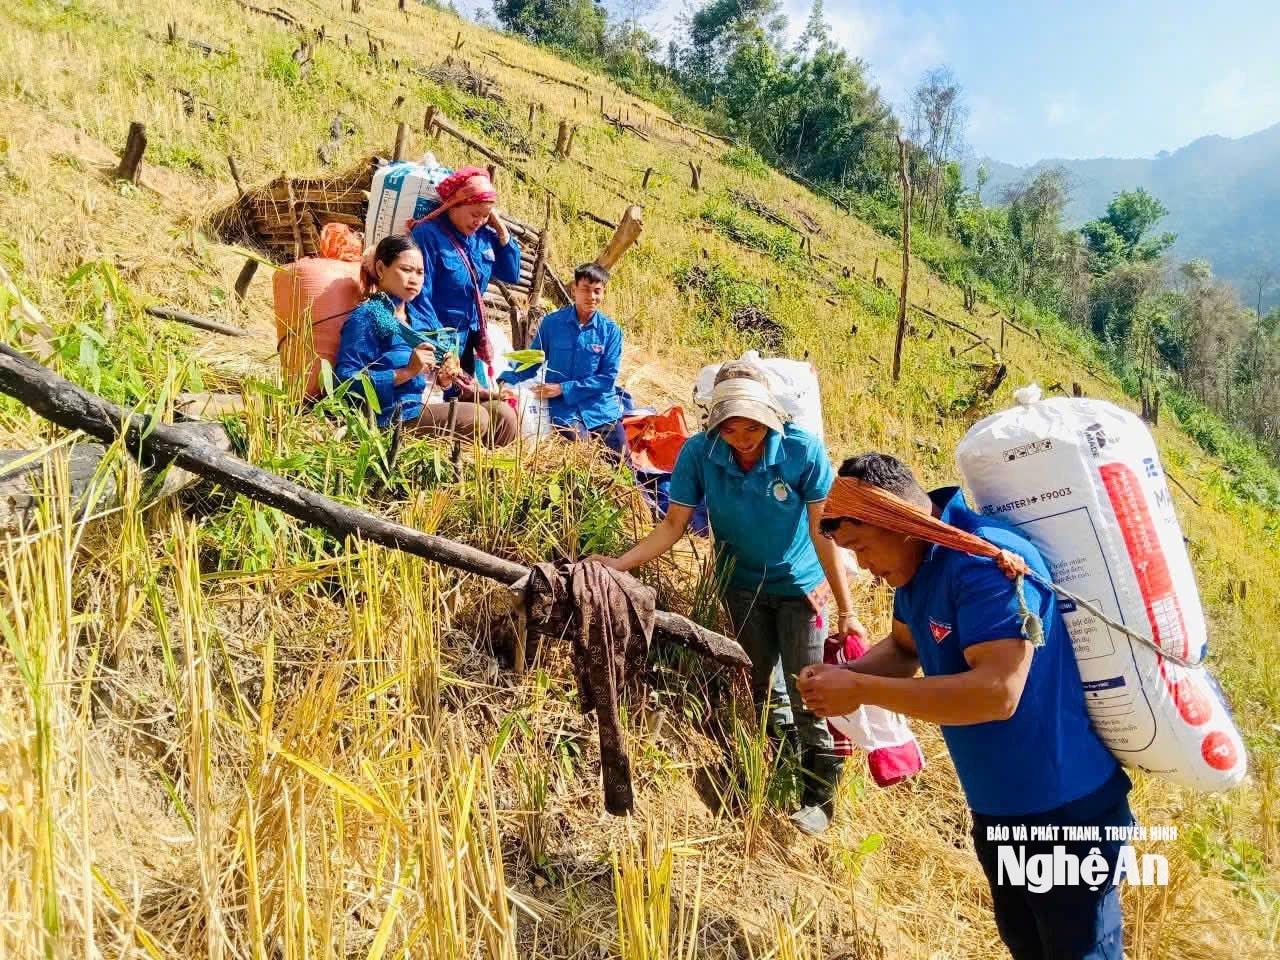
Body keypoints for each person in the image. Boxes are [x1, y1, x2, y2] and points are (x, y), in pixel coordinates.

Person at [799, 453, 1133, 960]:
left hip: (1063, 806)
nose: (864, 567)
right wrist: (843, 678)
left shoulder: (982, 565)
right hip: (997, 807)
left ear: (899, 522)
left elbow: (995, 693)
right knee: (1027, 943)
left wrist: (861, 691)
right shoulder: (915, 571)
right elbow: (906, 650)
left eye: (863, 548)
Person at [594, 361, 865, 834]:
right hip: (741, 586)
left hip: (803, 588)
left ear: (771, 417)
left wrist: (846, 608)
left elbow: (825, 536)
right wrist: (619, 564)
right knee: (761, 687)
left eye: (753, 425)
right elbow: (674, 525)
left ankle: (820, 793)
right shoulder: (700, 453)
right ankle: (778, 770)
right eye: (731, 426)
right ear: (715, 422)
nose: (742, 436)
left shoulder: (801, 451)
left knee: (810, 687)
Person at [334, 235, 518, 445]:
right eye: (405, 270)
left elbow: (444, 390)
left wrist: (446, 381)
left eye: (420, 272)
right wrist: (406, 372)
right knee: (477, 418)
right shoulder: (368, 317)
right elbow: (345, 381)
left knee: (504, 416)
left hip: (430, 404)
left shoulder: (421, 320)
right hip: (395, 415)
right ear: (381, 269)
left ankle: (481, 472)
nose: (414, 279)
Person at [497, 263, 627, 458]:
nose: (591, 297)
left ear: (604, 293)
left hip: (601, 410)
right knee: (579, 460)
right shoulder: (552, 324)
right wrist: (503, 382)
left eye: (597, 291)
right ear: (574, 289)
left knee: (623, 468)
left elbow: (607, 378)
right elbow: (532, 361)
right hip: (566, 413)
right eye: (585, 289)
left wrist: (562, 388)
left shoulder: (611, 331)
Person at [406, 166, 522, 384]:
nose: (479, 221)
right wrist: (440, 348)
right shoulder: (428, 235)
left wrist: (502, 232)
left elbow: (511, 273)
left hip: (470, 337)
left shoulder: (483, 238)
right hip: (438, 335)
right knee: (441, 405)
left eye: (486, 216)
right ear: (453, 205)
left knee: (469, 402)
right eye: (474, 214)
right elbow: (420, 296)